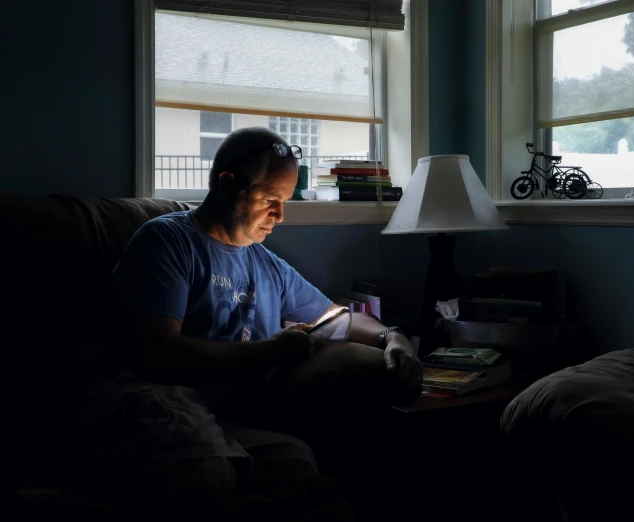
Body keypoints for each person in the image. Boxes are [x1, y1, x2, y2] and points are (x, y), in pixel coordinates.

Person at [102, 127, 423, 514]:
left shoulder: (264, 263)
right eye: (271, 199)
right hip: (159, 400)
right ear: (227, 184)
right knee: (208, 475)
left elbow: (337, 319)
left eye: (285, 201)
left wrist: (393, 337)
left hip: (227, 419)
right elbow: (158, 352)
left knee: (298, 462)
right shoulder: (167, 242)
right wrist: (268, 352)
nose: (280, 216)